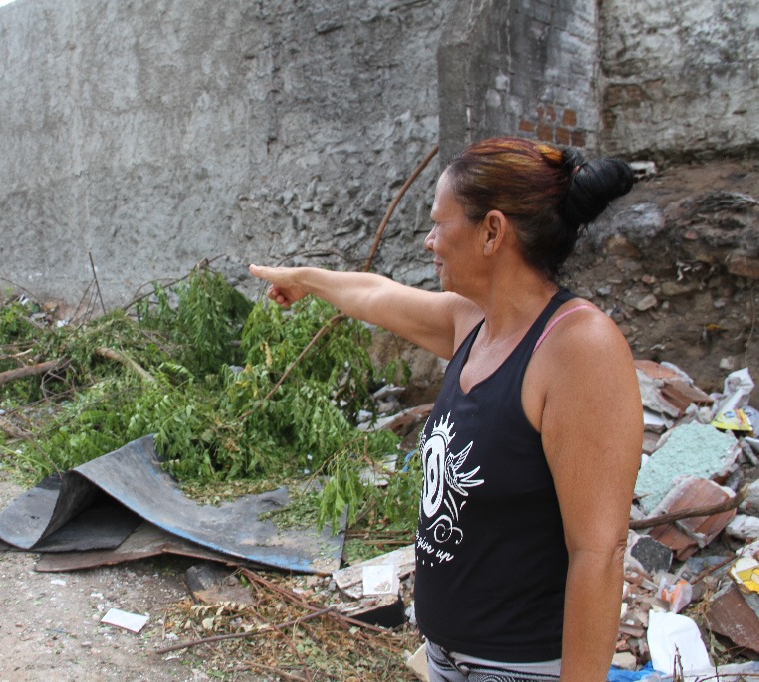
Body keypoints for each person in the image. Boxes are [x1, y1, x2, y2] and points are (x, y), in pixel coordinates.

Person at [249, 136, 642, 681]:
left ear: (492, 231)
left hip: (519, 669)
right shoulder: (474, 322)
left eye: (438, 223)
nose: (429, 241)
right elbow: (376, 295)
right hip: (446, 656)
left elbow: (599, 554)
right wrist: (305, 281)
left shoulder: (578, 348)